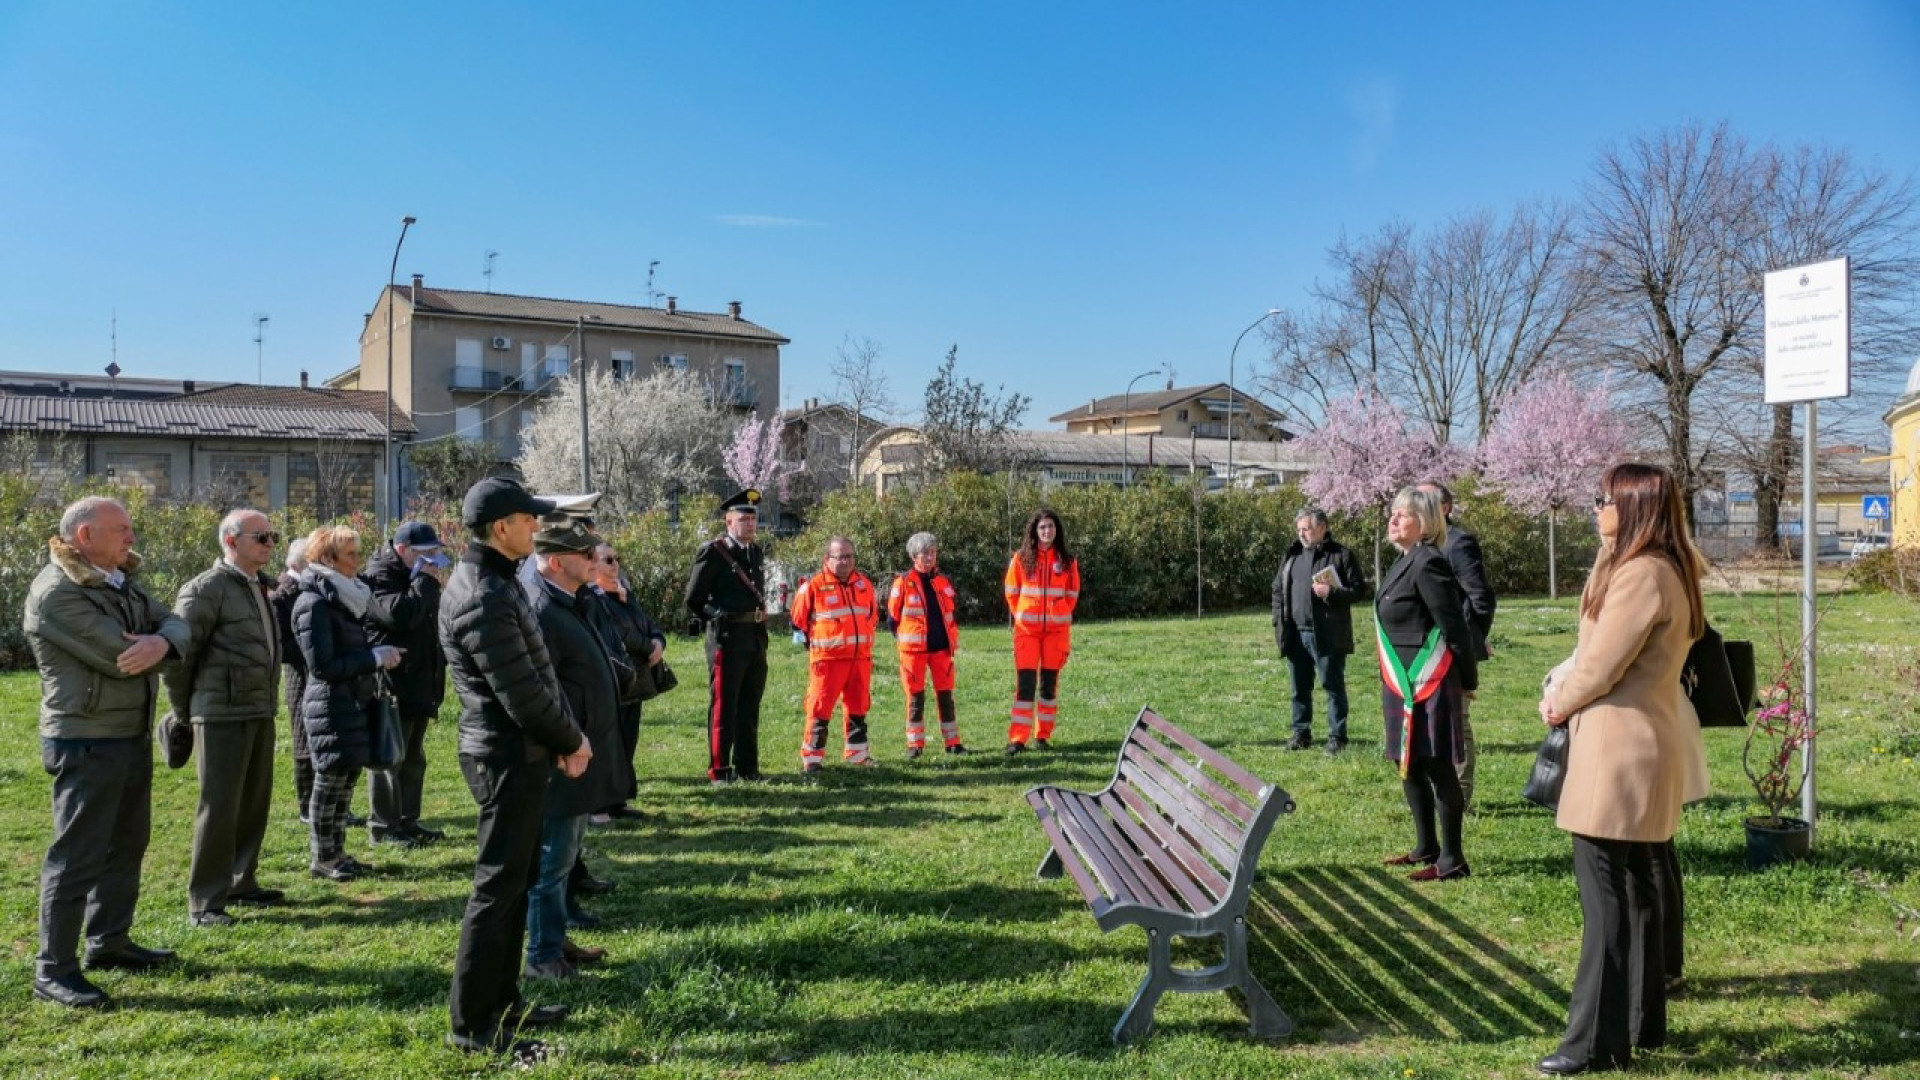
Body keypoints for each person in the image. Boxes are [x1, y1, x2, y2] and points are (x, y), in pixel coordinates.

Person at [1537, 463, 1705, 1076]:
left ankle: (1592, 1044)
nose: (1594, 509)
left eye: (1603, 500)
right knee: (1635, 893)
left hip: (1616, 753)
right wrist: (1610, 547)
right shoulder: (1662, 567)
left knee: (1605, 898)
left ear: (1632, 508)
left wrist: (1556, 700)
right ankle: (1639, 1023)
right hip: (1642, 746)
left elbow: (1600, 664)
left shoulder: (1641, 576)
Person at [440, 477, 590, 1060]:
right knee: (497, 889)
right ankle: (475, 1027)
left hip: (518, 752)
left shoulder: (496, 581)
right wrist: (571, 739)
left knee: (514, 882)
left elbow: (532, 676)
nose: (538, 527)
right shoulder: (482, 593)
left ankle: (502, 1003)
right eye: (530, 519)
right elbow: (520, 692)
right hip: (504, 756)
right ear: (501, 528)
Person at [24, 496, 190, 1008]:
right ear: (84, 535)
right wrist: (161, 643)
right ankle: (53, 969)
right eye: (122, 529)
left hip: (125, 733)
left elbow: (177, 621)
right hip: (85, 739)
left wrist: (162, 643)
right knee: (77, 855)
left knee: (126, 842)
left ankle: (108, 940)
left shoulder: (118, 579)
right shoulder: (57, 592)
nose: (131, 539)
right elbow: (122, 655)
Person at [164, 508, 286, 928]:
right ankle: (206, 901)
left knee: (253, 803)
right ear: (231, 541)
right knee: (218, 808)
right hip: (218, 714)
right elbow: (178, 658)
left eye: (272, 536)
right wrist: (184, 714)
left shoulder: (257, 586)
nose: (271, 544)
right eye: (262, 537)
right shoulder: (205, 589)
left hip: (258, 708)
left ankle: (241, 881)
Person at [523, 518, 624, 980]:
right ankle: (543, 955)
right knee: (553, 858)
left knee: (565, 856)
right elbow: (544, 688)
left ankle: (556, 939)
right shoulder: (543, 608)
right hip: (563, 755)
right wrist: (569, 739)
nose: (593, 560)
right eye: (584, 555)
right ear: (557, 561)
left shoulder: (570, 600)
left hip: (581, 750)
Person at [1375, 485, 1479, 883]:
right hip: (1402, 683)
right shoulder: (1403, 561)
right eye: (1393, 513)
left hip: (1429, 682)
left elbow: (1455, 628)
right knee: (1410, 766)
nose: (1394, 519)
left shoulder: (1428, 563)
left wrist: (1469, 679)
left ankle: (1453, 859)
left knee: (1438, 768)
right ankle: (1425, 847)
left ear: (1426, 523)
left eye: (1403, 514)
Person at [292, 526, 404, 884]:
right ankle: (323, 857)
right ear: (328, 559)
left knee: (345, 782)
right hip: (330, 704)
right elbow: (323, 666)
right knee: (329, 785)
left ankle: (337, 852)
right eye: (351, 554)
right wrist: (373, 658)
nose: (359, 560)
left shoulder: (343, 597)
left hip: (351, 701)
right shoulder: (314, 604)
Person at [363, 520, 450, 847]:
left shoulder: (416, 577)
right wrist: (427, 583)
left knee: (413, 758)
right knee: (389, 759)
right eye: (426, 554)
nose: (433, 560)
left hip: (418, 681)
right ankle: (384, 828)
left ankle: (407, 821)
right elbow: (398, 615)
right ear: (402, 550)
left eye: (435, 553)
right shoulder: (380, 576)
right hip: (391, 684)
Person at [1419, 480, 1496, 807]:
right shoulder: (1420, 546)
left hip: (1452, 650)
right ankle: (1438, 791)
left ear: (1445, 508)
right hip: (1423, 652)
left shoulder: (1458, 544)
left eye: (1424, 500)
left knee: (1456, 723)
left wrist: (1472, 641)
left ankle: (1459, 797)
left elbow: (1480, 598)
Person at [685, 488, 770, 784]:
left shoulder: (755, 552)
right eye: (743, 519)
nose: (750, 524)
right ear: (728, 521)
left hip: (755, 636)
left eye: (753, 519)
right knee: (725, 704)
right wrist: (715, 615)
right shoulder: (715, 551)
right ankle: (719, 769)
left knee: (750, 704)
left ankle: (748, 767)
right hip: (728, 638)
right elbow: (694, 598)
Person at [1272, 508, 1371, 754]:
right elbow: (1277, 589)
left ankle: (1337, 737)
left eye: (1306, 528)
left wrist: (1332, 593)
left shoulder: (1341, 555)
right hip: (1295, 632)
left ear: (1322, 527)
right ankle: (1301, 733)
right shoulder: (1292, 555)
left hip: (1327, 633)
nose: (1301, 534)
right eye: (1299, 530)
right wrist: (1278, 621)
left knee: (1332, 686)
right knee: (1299, 688)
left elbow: (1359, 590)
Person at [589, 541, 666, 819]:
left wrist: (659, 640)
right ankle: (600, 803)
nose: (615, 564)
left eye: (616, 558)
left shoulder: (623, 591)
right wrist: (649, 647)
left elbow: (645, 622)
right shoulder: (593, 597)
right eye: (607, 560)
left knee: (627, 740)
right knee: (609, 742)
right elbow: (619, 632)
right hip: (613, 677)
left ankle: (618, 800)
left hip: (636, 678)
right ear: (592, 564)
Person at [791, 535, 879, 773]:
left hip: (859, 659)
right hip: (827, 661)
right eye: (840, 557)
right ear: (827, 559)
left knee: (859, 706)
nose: (845, 562)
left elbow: (872, 615)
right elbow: (798, 621)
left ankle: (858, 755)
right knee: (819, 708)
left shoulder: (864, 584)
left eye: (849, 556)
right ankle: (812, 759)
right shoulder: (813, 586)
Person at [1004, 508, 1079, 754]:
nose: (1047, 531)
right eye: (1042, 527)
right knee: (1025, 686)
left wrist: (1060, 612)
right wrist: (1023, 614)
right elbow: (1012, 592)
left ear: (1057, 530)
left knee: (1048, 687)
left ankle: (1042, 736)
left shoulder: (1067, 561)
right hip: (1027, 632)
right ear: (1035, 531)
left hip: (1056, 633)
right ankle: (1018, 739)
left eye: (1051, 527)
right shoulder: (1022, 558)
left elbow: (1072, 593)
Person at [889, 531, 966, 757]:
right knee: (915, 698)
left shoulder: (942, 581)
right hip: (914, 652)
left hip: (942, 649)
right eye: (925, 553)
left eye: (933, 552)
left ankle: (953, 743)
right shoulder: (903, 582)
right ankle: (915, 745)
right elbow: (892, 618)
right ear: (914, 556)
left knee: (946, 696)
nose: (930, 557)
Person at [271, 537, 314, 822]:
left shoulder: (307, 588)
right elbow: (280, 644)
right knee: (304, 742)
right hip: (300, 677)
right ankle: (306, 806)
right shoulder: (281, 593)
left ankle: (331, 804)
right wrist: (315, 646)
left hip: (319, 676)